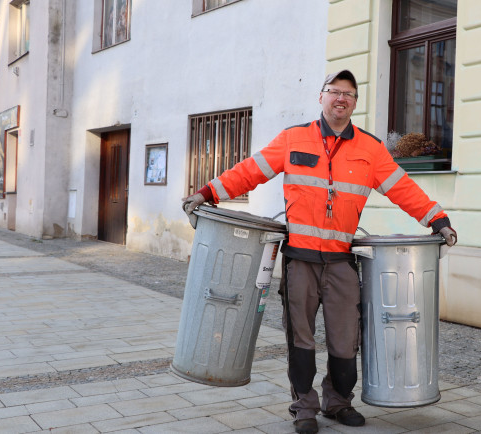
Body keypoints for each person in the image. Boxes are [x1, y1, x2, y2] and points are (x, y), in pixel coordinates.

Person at [182, 70, 457, 434]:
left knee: (346, 341)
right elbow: (249, 171)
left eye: (348, 94)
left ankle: (338, 403)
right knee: (301, 340)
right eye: (334, 92)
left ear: (355, 102)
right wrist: (207, 192)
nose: (340, 99)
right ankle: (304, 407)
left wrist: (438, 220)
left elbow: (403, 189)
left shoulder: (371, 150)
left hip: (342, 261)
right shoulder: (293, 139)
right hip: (301, 261)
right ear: (321, 97)